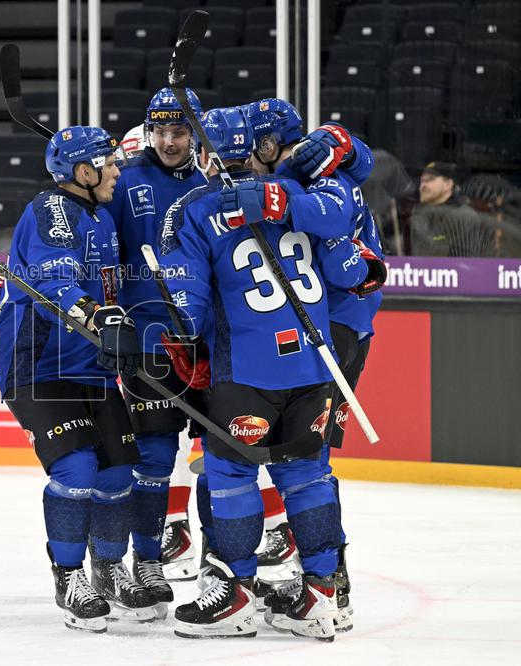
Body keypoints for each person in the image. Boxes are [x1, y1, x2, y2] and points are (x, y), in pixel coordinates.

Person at [158, 105, 368, 641]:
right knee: (308, 476)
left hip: (245, 370)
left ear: (206, 155)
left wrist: (180, 342)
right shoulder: (297, 194)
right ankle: (321, 595)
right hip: (314, 364)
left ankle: (235, 595)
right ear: (255, 149)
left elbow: (188, 304)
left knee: (231, 476)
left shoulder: (194, 208)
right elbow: (347, 263)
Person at [0, 125, 155, 633]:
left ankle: (108, 568)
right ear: (83, 172)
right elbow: (55, 279)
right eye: (109, 163)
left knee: (118, 472)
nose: (117, 171)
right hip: (38, 365)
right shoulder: (53, 211)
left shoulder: (99, 213)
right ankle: (69, 576)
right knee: (77, 468)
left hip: (90, 363)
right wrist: (97, 317)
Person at [249, 101, 388, 633]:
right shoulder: (317, 170)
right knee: (306, 459)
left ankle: (333, 585)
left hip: (336, 330)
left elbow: (342, 251)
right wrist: (344, 145)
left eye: (253, 146)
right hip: (334, 326)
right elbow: (358, 162)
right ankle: (326, 579)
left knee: (310, 461)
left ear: (269, 145)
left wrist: (342, 147)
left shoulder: (317, 180)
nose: (247, 156)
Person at [101, 87, 208, 602]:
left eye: (179, 131)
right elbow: (99, 248)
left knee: (222, 454)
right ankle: (146, 561)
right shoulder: (126, 181)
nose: (168, 141)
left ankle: (223, 564)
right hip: (149, 336)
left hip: (208, 339)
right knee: (157, 454)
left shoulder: (212, 183)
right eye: (160, 130)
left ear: (196, 133)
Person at [410, 161, 492, 256]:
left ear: (448, 185)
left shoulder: (462, 215)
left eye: (430, 179)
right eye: (422, 181)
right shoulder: (420, 214)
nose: (423, 186)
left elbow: (464, 261)